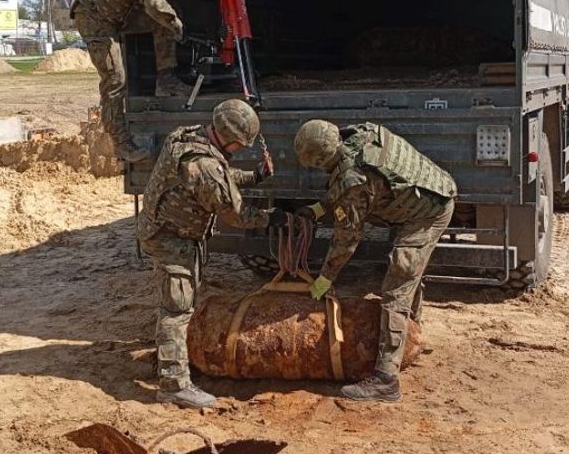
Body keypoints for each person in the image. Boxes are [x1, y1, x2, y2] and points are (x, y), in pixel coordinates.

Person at [293, 120, 456, 402]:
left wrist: (324, 279)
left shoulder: (352, 180)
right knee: (407, 277)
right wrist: (319, 209)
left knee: (397, 287)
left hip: (427, 214)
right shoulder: (357, 137)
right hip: (427, 195)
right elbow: (350, 180)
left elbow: (347, 239)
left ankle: (386, 379)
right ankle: (410, 339)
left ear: (322, 159)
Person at [137, 99, 285, 409]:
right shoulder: (203, 165)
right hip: (170, 241)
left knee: (180, 306)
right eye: (239, 145)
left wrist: (255, 175)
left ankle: (176, 364)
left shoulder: (187, 136)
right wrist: (273, 218)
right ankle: (174, 385)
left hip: (170, 232)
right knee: (176, 310)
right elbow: (236, 213)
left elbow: (222, 176)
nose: (239, 149)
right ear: (230, 138)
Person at [72, 0, 194, 163]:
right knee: (116, 79)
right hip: (95, 19)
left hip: (119, 16)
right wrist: (176, 25)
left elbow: (160, 2)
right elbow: (152, 1)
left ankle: (166, 80)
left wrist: (171, 21)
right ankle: (121, 143)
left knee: (163, 20)